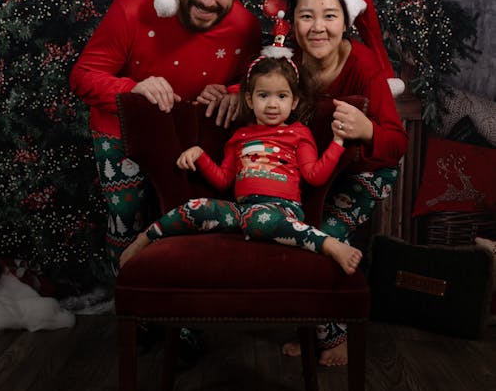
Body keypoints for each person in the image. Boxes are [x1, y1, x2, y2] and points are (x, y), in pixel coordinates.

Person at [70, 0, 262, 275]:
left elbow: (254, 80)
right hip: (122, 129)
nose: (208, 0)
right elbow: (82, 76)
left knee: (185, 216)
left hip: (193, 135)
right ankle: (131, 306)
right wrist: (133, 88)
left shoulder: (246, 26)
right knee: (127, 215)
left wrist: (236, 93)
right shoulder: (132, 9)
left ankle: (181, 312)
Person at [119, 55, 362, 275]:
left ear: (295, 101)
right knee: (197, 207)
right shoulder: (240, 137)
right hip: (242, 212)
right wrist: (200, 155)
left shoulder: (298, 134)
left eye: (282, 96)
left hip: (282, 210)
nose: (272, 104)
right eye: (263, 95)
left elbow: (315, 175)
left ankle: (328, 244)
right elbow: (224, 179)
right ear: (249, 98)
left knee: (259, 220)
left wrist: (338, 142)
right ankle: (145, 238)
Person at [282, 0, 409, 367]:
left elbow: (396, 144)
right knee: (292, 237)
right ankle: (310, 326)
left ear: (345, 21)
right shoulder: (287, 63)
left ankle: (332, 336)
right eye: (306, 16)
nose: (317, 27)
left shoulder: (364, 66)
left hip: (364, 171)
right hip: (313, 171)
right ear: (294, 22)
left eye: (329, 16)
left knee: (326, 239)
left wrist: (368, 129)